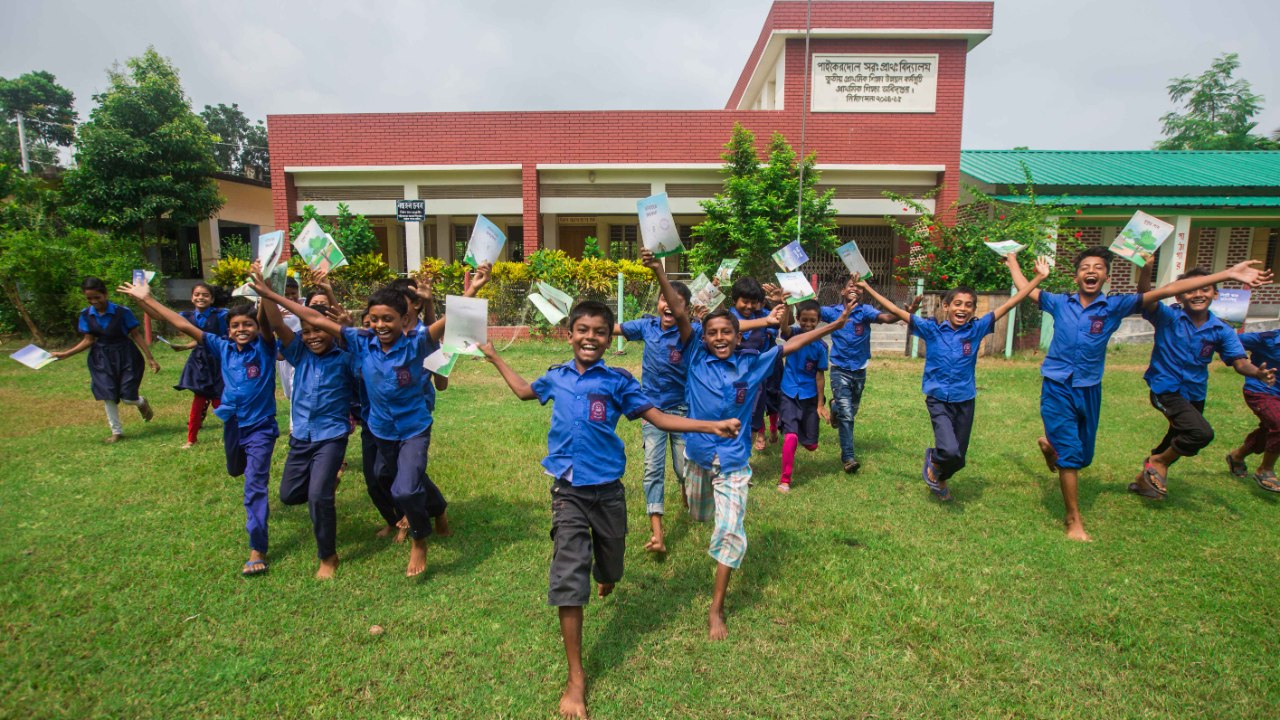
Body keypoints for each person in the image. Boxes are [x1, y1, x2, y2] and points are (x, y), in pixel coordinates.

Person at [480, 300, 738, 720]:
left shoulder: (618, 382)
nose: (590, 338)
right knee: (569, 573)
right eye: (582, 330)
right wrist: (494, 357)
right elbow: (525, 391)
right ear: (569, 334)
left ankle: (606, 574)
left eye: (599, 332)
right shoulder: (557, 376)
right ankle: (576, 678)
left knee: (612, 565)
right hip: (568, 491)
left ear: (608, 338)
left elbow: (659, 418)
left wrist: (709, 425)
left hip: (608, 494)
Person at [1009, 247, 1272, 541]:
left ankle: (1052, 447)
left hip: (1090, 387)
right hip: (1056, 384)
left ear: (1107, 277)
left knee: (1084, 457)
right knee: (1071, 456)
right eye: (1085, 267)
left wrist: (1228, 273)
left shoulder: (1115, 306)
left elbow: (1169, 290)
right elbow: (1025, 289)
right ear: (1076, 276)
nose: (1091, 271)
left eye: (1098, 267)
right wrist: (1012, 262)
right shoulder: (1059, 302)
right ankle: (1073, 520)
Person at [252, 265, 490, 577]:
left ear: (403, 319)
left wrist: (473, 289)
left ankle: (420, 539)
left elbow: (450, 321)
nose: (380, 325)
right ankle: (430, 512)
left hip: (414, 429)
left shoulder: (416, 343)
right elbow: (315, 318)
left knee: (405, 490)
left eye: (388, 319)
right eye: (375, 319)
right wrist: (270, 295)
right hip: (381, 431)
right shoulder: (361, 341)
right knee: (390, 480)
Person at [675, 285, 856, 641]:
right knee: (698, 514)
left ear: (739, 336)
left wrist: (834, 326)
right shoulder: (695, 356)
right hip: (698, 455)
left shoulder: (753, 363)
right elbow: (682, 317)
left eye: (727, 332)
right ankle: (688, 488)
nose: (719, 337)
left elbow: (794, 343)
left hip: (733, 463)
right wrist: (656, 270)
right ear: (703, 338)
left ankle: (716, 608)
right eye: (712, 333)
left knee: (729, 532)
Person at [119, 279, 278, 576]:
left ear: (257, 328)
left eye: (248, 324)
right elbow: (181, 323)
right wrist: (147, 298)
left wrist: (265, 290)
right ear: (227, 331)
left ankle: (257, 548)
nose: (242, 329)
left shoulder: (265, 348)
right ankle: (245, 474)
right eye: (235, 326)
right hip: (232, 425)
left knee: (255, 485)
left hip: (261, 428)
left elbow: (268, 322)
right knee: (235, 469)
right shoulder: (222, 347)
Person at [862, 253, 1049, 500]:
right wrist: (867, 288)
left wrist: (1038, 278)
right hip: (938, 398)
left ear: (974, 310)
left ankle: (939, 477)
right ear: (946, 307)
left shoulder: (977, 329)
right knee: (949, 450)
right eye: (957, 304)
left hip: (965, 399)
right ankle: (934, 458)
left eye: (968, 305)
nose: (962, 308)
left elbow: (1010, 303)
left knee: (959, 458)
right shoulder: (931, 329)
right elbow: (896, 309)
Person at [1129, 267, 1275, 498]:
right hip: (1165, 388)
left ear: (1215, 294)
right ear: (1179, 296)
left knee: (1176, 436)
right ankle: (1158, 462)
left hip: (1195, 392)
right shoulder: (1168, 317)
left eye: (1205, 289)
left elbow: (1239, 362)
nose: (1198, 294)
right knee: (1200, 433)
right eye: (1190, 290)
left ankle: (1144, 480)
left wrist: (1257, 373)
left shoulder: (1221, 329)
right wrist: (1146, 271)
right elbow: (1147, 298)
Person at [257, 274, 355, 579]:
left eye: (319, 330)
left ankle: (328, 556)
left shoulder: (345, 358)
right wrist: (266, 290)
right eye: (307, 331)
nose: (312, 337)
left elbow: (352, 338)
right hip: (301, 436)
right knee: (289, 495)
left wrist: (344, 322)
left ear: (331, 331)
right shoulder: (299, 353)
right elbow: (277, 324)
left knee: (318, 498)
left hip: (331, 436)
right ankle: (324, 485)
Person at [616, 250, 699, 553]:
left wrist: (658, 271)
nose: (669, 305)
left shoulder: (690, 332)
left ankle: (687, 491)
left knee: (682, 468)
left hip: (681, 410)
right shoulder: (646, 326)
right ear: (657, 303)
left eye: (676, 302)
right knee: (652, 469)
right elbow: (611, 328)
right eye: (664, 299)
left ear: (686, 309)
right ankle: (658, 533)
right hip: (651, 410)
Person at [823, 275, 919, 473]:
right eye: (851, 286)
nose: (854, 289)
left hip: (860, 370)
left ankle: (834, 407)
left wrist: (906, 313)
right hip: (839, 369)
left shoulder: (865, 311)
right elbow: (810, 310)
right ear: (842, 291)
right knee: (847, 416)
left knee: (851, 410)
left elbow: (887, 318)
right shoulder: (833, 312)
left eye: (859, 287)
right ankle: (848, 458)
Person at [51, 277, 159, 443]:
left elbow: (136, 335)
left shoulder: (122, 312)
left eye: (97, 297)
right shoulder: (86, 315)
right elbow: (88, 340)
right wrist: (66, 353)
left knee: (128, 397)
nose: (94, 301)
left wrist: (150, 358)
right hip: (101, 358)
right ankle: (116, 431)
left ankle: (141, 402)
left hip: (126, 355)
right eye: (89, 298)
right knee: (107, 394)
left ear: (105, 294)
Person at [775, 299, 830, 493]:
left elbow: (820, 376)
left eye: (812, 320)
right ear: (798, 318)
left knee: (811, 445)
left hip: (810, 396)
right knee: (791, 436)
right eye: (804, 319)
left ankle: (804, 432)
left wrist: (820, 404)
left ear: (818, 321)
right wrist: (787, 305)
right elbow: (784, 328)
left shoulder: (821, 347)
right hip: (788, 392)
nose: (808, 324)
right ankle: (785, 480)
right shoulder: (793, 335)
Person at [169, 281, 227, 448]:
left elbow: (215, 339)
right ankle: (191, 439)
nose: (201, 297)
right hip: (199, 363)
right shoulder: (187, 316)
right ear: (191, 298)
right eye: (197, 294)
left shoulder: (221, 315)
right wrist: (144, 299)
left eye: (205, 295)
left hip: (218, 360)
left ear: (212, 299)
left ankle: (234, 433)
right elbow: (161, 315)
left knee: (220, 401)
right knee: (199, 400)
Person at [1226, 328, 1280, 493]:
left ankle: (1237, 456)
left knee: (1270, 429)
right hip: (1261, 391)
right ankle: (1265, 469)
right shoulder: (1266, 339)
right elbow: (1228, 341)